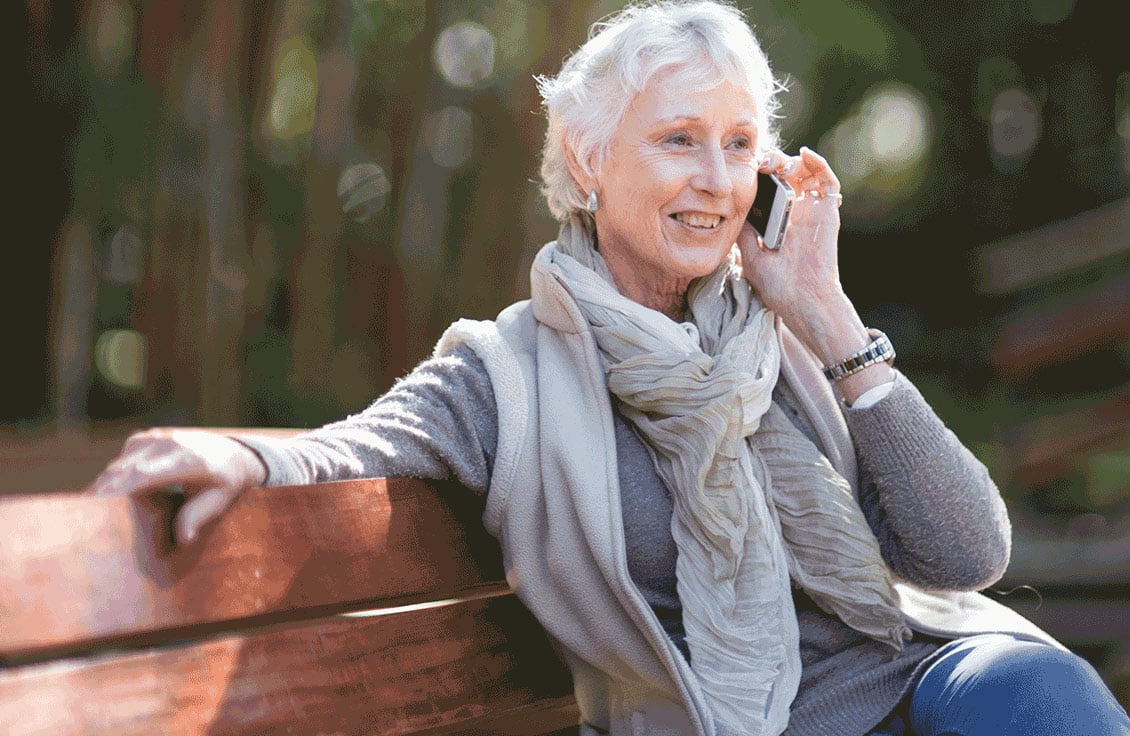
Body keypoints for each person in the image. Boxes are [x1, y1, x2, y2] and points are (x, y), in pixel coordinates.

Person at [90, 2, 1130, 734]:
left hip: (920, 682)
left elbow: (963, 554)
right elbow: (357, 448)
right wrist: (233, 454)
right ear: (588, 161)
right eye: (679, 139)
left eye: (735, 144)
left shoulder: (778, 336)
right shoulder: (505, 370)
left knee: (1036, 690)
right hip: (728, 719)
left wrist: (824, 311)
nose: (715, 181)